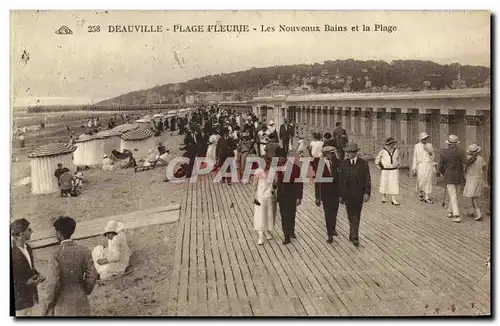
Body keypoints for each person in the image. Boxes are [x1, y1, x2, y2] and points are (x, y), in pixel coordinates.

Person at [42, 216, 97, 316]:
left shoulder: (56, 254)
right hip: (81, 301)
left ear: (59, 234)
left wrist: (48, 304)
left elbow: (53, 284)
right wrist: (84, 290)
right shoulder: (84, 250)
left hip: (63, 304)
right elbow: (92, 275)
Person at [338, 143, 371, 248]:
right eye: (348, 152)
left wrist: (367, 192)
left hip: (358, 194)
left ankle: (355, 235)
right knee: (350, 215)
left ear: (356, 152)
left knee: (357, 215)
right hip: (347, 194)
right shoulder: (344, 164)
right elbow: (341, 181)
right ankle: (352, 232)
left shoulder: (363, 163)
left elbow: (367, 179)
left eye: (351, 152)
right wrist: (340, 195)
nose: (349, 154)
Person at [11, 219, 45, 316]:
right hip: (20, 303)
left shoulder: (28, 248)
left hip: (32, 299)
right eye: (29, 230)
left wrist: (38, 274)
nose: (32, 231)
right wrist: (26, 284)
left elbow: (29, 268)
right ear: (21, 234)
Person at [275, 147, 303, 244]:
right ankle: (286, 235)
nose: (279, 159)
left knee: (291, 214)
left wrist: (299, 197)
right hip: (282, 195)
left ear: (285, 157)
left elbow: (299, 183)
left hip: (292, 195)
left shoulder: (295, 168)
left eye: (280, 157)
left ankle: (291, 231)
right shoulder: (277, 167)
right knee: (284, 215)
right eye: (277, 158)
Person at [315, 146, 342, 243]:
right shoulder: (320, 164)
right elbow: (317, 182)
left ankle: (333, 229)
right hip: (326, 193)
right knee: (328, 214)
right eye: (331, 153)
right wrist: (317, 197)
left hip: (335, 192)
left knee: (334, 211)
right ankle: (329, 234)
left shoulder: (336, 163)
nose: (332, 155)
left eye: (333, 153)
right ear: (326, 154)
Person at [439, 135, 465, 223]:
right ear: (456, 143)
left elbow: (440, 167)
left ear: (449, 143)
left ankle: (456, 215)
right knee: (455, 195)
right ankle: (450, 211)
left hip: (449, 175)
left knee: (453, 196)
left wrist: (444, 173)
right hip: (459, 176)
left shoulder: (444, 152)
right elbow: (465, 162)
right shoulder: (461, 152)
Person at [252, 155, 277, 245]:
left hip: (265, 196)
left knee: (264, 215)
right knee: (264, 216)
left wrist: (253, 195)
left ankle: (263, 234)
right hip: (265, 196)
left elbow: (255, 184)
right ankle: (263, 234)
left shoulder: (265, 171)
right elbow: (255, 184)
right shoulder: (267, 171)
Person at [463, 144, 487, 221]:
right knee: (475, 196)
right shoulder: (481, 158)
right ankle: (472, 211)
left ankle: (479, 214)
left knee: (473, 197)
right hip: (479, 178)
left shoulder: (468, 159)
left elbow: (465, 169)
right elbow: (484, 168)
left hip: (472, 179)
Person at [374, 137, 401, 205]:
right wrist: (378, 165)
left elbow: (398, 158)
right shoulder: (383, 151)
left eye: (393, 143)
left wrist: (398, 164)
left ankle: (393, 199)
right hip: (385, 170)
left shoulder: (396, 150)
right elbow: (377, 158)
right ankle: (384, 196)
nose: (393, 145)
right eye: (391, 143)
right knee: (385, 183)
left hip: (394, 170)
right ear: (388, 144)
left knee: (394, 184)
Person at [411, 132, 435, 204]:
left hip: (428, 165)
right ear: (421, 139)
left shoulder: (429, 145)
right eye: (423, 139)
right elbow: (415, 157)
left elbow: (433, 157)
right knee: (421, 180)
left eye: (426, 138)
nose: (425, 140)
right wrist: (414, 168)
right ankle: (420, 192)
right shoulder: (417, 146)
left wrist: (429, 152)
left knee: (428, 180)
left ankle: (427, 196)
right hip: (421, 165)